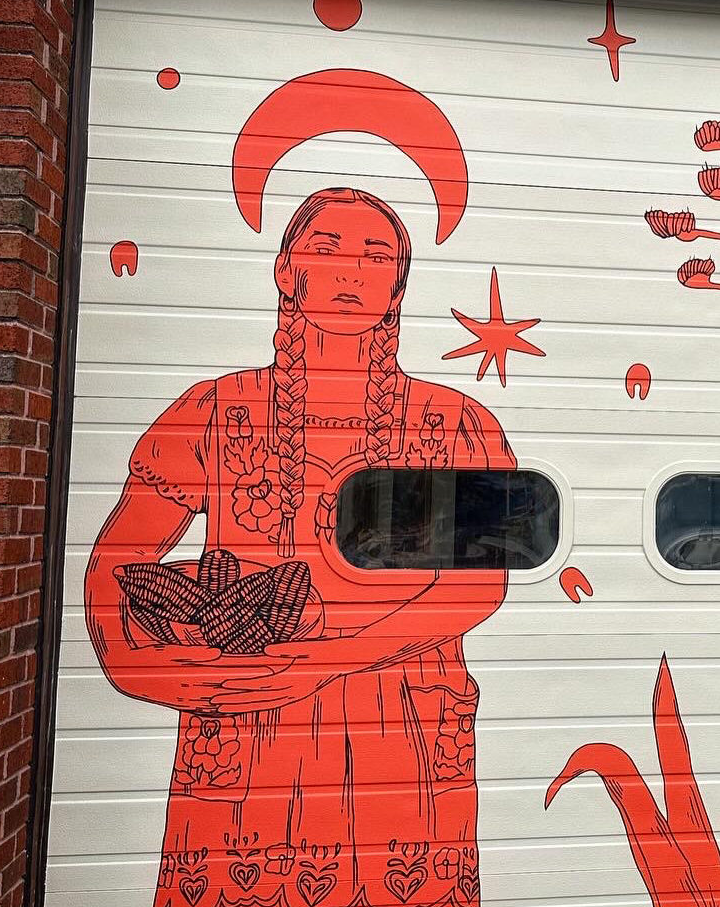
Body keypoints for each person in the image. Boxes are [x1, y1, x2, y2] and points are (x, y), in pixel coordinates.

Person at [84, 187, 514, 907]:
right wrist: (152, 671)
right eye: (326, 248)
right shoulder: (214, 412)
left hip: (401, 724)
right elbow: (115, 565)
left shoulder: (454, 422)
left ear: (399, 284)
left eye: (375, 256)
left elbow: (476, 584)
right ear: (286, 270)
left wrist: (318, 661)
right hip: (246, 725)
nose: (350, 271)